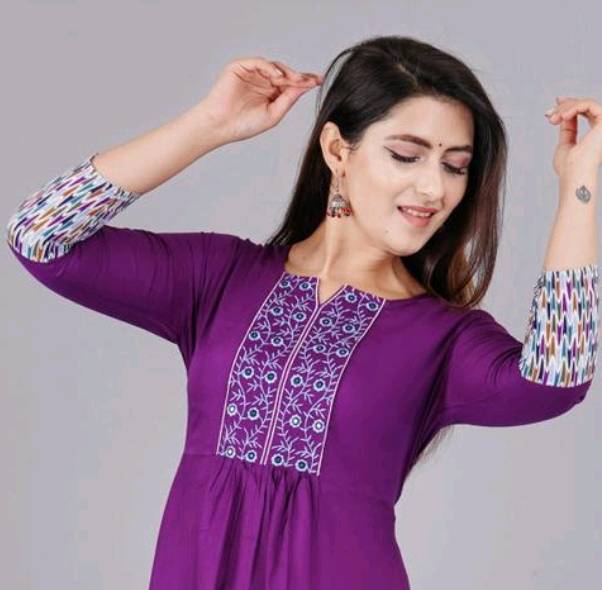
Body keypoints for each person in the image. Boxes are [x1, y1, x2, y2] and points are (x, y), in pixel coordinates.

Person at [6, 35, 601, 590]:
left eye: (454, 166)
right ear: (338, 150)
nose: (434, 189)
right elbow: (40, 235)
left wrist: (581, 187)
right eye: (407, 155)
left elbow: (558, 378)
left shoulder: (442, 338)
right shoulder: (222, 279)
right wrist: (209, 125)